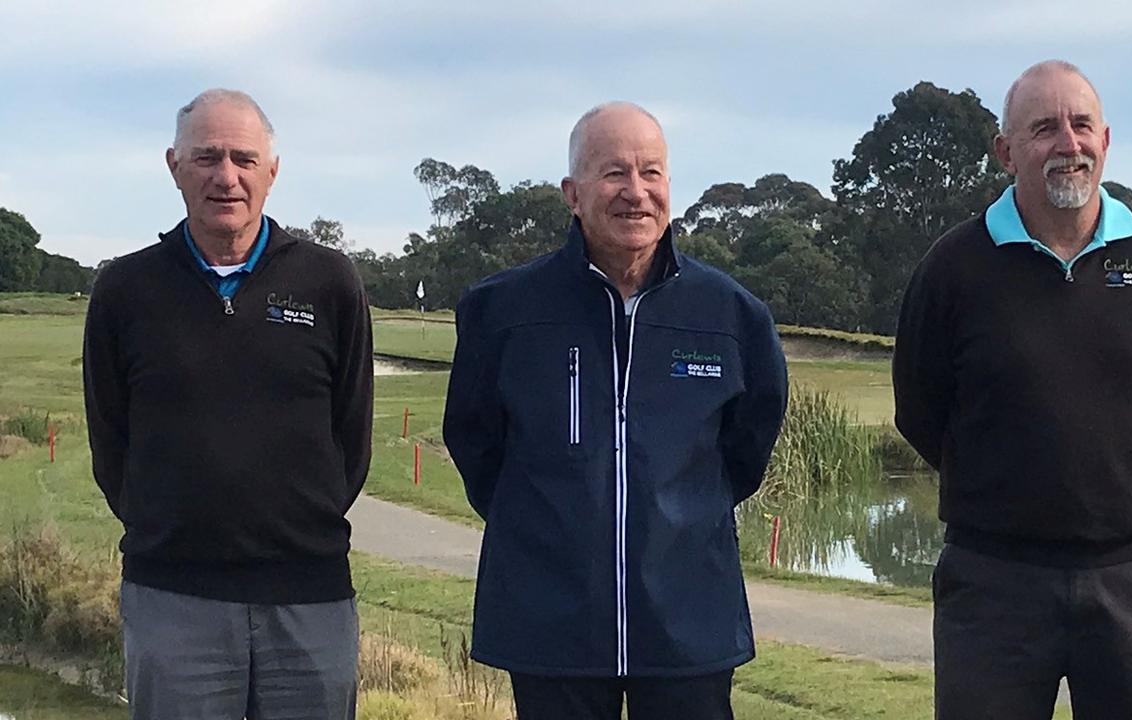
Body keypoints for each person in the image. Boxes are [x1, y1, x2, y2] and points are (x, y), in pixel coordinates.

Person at [443, 101, 788, 720]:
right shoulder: (501, 312)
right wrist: (551, 523)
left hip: (688, 625)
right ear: (573, 194)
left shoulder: (731, 315)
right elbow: (476, 444)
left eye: (651, 173)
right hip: (552, 627)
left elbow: (745, 449)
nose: (636, 192)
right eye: (614, 174)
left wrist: (679, 514)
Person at [893, 60, 1132, 720]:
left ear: (1105, 139)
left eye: (1081, 125)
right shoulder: (953, 267)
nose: (1068, 144)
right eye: (1044, 129)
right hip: (992, 584)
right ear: (1005, 152)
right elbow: (920, 410)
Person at [83, 89, 373, 720]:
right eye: (207, 156)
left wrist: (298, 524)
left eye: (244, 158)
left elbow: (351, 440)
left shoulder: (329, 282)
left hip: (309, 596)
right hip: (173, 596)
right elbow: (111, 442)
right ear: (174, 166)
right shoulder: (126, 290)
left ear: (272, 171)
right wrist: (166, 527)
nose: (227, 176)